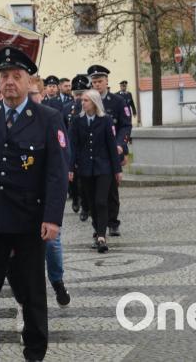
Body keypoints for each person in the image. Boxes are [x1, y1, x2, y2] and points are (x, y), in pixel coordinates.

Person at [0, 46, 68, 362]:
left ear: (29, 81)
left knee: (33, 292)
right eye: (4, 76)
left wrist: (52, 218)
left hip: (29, 221)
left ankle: (35, 351)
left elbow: (56, 173)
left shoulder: (48, 118)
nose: (9, 82)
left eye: (16, 76)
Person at [26, 81, 71, 309]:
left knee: (52, 245)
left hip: (45, 196)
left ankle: (57, 282)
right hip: (21, 201)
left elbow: (60, 162)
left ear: (42, 95)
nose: (31, 97)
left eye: (34, 93)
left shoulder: (50, 117)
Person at [69, 89, 122, 254]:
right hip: (85, 168)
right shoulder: (77, 121)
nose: (82, 103)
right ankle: (97, 229)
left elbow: (111, 146)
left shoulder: (105, 120)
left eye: (86, 100)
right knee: (91, 203)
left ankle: (101, 236)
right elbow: (73, 146)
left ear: (94, 102)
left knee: (101, 201)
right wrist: (70, 167)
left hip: (104, 167)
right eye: (82, 100)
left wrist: (117, 169)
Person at [87, 66, 132, 237]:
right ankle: (98, 224)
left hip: (112, 151)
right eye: (94, 82)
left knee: (112, 189)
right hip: (94, 153)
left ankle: (113, 222)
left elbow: (126, 125)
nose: (97, 85)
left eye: (100, 81)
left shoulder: (118, 101)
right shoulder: (88, 101)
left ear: (106, 81)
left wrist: (121, 145)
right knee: (93, 191)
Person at [68, 75, 92, 219]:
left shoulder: (90, 107)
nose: (78, 97)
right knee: (73, 179)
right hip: (70, 148)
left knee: (83, 180)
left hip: (84, 148)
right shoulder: (66, 108)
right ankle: (75, 198)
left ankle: (85, 206)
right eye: (76, 94)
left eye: (81, 94)